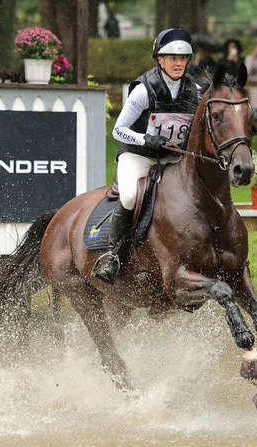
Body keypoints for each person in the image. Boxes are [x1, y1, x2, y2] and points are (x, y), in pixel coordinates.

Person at [95, 28, 200, 283]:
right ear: (160, 60)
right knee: (130, 196)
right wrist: (146, 139)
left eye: (183, 58)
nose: (179, 63)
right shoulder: (143, 90)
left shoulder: (195, 90)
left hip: (173, 158)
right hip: (138, 155)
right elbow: (118, 130)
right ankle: (112, 255)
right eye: (173, 58)